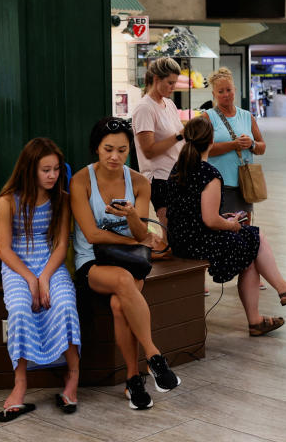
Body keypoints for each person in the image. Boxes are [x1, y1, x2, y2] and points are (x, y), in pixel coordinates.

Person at [167, 116, 286, 336]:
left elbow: (193, 213)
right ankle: (273, 300)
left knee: (252, 240)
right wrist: (231, 225)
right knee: (252, 240)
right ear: (210, 141)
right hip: (199, 242)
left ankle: (278, 295)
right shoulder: (209, 174)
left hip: (180, 239)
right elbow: (210, 220)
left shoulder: (178, 168)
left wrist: (224, 219)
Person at [70, 117, 181, 410]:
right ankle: (154, 356)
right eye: (108, 149)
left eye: (121, 150)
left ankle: (133, 382)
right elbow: (92, 235)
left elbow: (143, 231)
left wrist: (132, 217)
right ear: (96, 148)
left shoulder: (140, 182)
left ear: (130, 149)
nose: (114, 157)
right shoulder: (81, 180)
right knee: (121, 282)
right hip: (92, 261)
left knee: (121, 305)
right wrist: (137, 241)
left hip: (131, 262)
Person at [0, 138, 81, 422]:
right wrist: (31, 279)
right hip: (17, 267)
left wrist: (44, 278)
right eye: (46, 170)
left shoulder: (62, 199)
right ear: (30, 169)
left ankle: (73, 378)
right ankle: (20, 384)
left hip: (50, 264)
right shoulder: (7, 201)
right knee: (19, 309)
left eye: (56, 169)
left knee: (65, 304)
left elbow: (60, 246)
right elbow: (4, 250)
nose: (53, 175)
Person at [131, 57, 184, 228]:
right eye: (169, 82)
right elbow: (148, 151)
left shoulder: (169, 104)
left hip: (176, 175)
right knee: (170, 229)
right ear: (156, 79)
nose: (173, 87)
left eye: (175, 83)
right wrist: (180, 136)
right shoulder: (145, 108)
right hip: (160, 178)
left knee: (178, 230)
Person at [206, 68, 265, 215]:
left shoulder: (247, 116)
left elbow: (261, 147)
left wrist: (251, 144)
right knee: (223, 227)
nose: (226, 95)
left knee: (244, 226)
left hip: (244, 183)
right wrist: (233, 145)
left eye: (229, 90)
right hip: (219, 184)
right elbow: (205, 150)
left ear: (235, 89)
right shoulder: (207, 117)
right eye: (220, 92)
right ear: (214, 94)